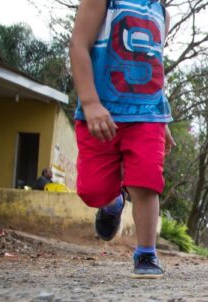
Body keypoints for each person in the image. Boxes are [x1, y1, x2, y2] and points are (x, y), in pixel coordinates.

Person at [69, 0, 174, 279]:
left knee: (147, 181)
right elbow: (79, 45)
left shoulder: (162, 12)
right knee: (93, 190)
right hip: (102, 112)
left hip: (147, 116)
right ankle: (112, 203)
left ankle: (146, 253)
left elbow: (154, 64)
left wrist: (161, 118)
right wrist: (90, 102)